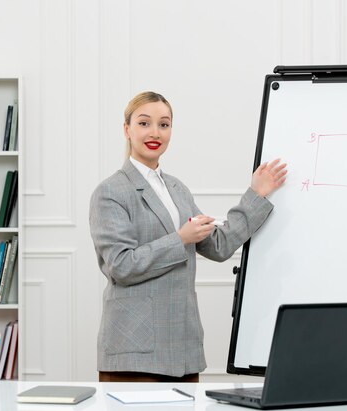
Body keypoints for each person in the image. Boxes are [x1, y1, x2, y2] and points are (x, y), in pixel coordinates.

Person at [89, 91, 287, 382]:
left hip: (182, 349)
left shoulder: (176, 189)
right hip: (135, 350)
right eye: (144, 123)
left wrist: (256, 195)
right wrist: (180, 239)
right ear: (126, 129)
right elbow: (121, 266)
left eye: (164, 124)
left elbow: (218, 246)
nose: (155, 132)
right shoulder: (110, 192)